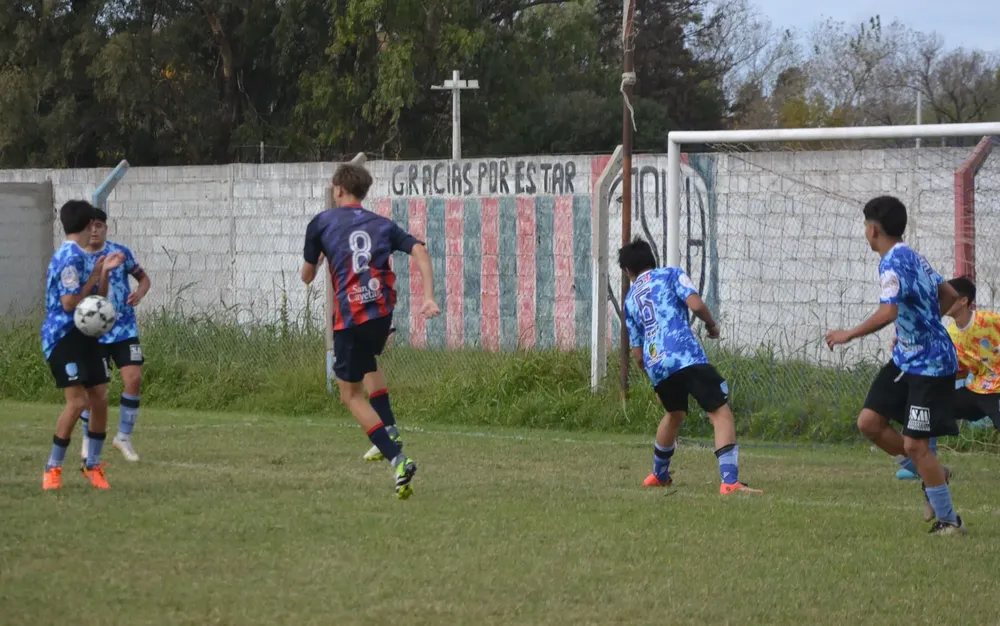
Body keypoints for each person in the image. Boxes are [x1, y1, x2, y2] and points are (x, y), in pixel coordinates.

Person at [825, 195, 966, 534]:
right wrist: (919, 326)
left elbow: (888, 311)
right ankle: (935, 473)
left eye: (864, 226)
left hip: (930, 365)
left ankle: (949, 520)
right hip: (908, 357)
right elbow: (947, 293)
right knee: (869, 422)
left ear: (873, 230)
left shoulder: (891, 263)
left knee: (916, 445)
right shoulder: (912, 254)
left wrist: (849, 334)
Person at [301, 163, 439, 499]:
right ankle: (389, 427)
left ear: (338, 190)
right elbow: (419, 249)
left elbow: (306, 276)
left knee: (349, 394)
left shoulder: (322, 222)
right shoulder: (382, 223)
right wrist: (429, 297)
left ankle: (397, 458)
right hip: (379, 311)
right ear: (362, 192)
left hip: (350, 316)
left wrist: (321, 256)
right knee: (371, 360)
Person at [618, 238, 761, 495]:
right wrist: (711, 325)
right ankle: (730, 482)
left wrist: (654, 377)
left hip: (656, 363)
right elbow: (695, 304)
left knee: (674, 414)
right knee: (720, 412)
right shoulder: (671, 274)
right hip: (684, 355)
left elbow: (637, 354)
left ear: (628, 272)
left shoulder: (629, 301)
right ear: (652, 259)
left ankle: (658, 474)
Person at [41, 200, 125, 491]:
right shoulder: (69, 257)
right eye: (94, 224)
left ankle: (93, 465)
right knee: (77, 403)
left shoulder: (84, 255)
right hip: (63, 337)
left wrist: (103, 273)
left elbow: (96, 298)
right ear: (89, 225)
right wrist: (92, 277)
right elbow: (69, 303)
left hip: (86, 335)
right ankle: (52, 469)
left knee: (99, 397)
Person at [79, 208, 151, 462]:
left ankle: (123, 437)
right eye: (91, 226)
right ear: (84, 229)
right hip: (94, 334)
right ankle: (88, 438)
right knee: (95, 391)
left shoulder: (120, 253)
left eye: (100, 225)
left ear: (106, 228)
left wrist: (140, 293)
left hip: (124, 329)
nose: (95, 230)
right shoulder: (78, 258)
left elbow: (143, 279)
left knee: (134, 379)